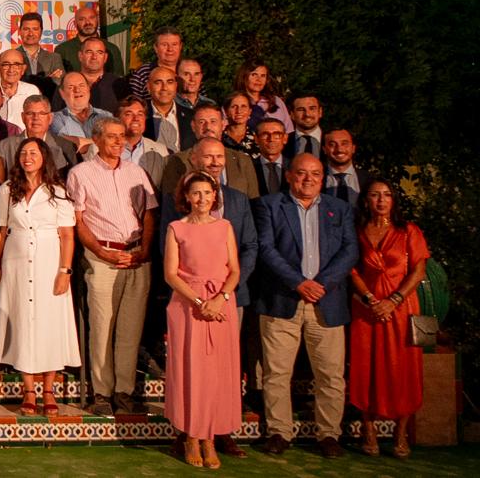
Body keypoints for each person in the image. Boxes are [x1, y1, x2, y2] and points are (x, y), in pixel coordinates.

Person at [253, 154, 358, 458]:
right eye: (301, 173)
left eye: (315, 174)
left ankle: (329, 435)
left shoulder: (340, 209)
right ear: (289, 175)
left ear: (323, 178)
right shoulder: (269, 205)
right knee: (277, 373)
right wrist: (298, 282)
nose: (308, 179)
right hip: (282, 300)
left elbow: (350, 250)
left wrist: (321, 284)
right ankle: (279, 432)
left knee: (330, 375)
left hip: (327, 302)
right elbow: (265, 248)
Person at [67, 118, 158, 416]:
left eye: (121, 136)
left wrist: (144, 250)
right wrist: (101, 252)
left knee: (130, 330)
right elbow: (78, 221)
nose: (119, 142)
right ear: (96, 140)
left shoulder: (136, 172)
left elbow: (148, 214)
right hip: (102, 256)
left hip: (136, 256)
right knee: (102, 327)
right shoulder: (81, 174)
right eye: (111, 136)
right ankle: (102, 393)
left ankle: (124, 392)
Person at [0, 138, 80, 415]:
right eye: (24, 153)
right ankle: (28, 390)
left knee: (48, 324)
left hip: (49, 262)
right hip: (16, 262)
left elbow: (67, 235)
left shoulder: (58, 192)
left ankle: (49, 390)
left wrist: (65, 271)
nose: (28, 157)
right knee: (22, 323)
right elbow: (2, 229)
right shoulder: (8, 189)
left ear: (44, 158)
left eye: (34, 153)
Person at [162, 171, 242, 468]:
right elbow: (171, 274)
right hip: (187, 306)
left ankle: (211, 438)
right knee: (191, 371)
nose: (202, 199)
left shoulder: (224, 227)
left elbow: (234, 270)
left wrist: (219, 299)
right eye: (196, 193)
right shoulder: (176, 228)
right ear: (186, 197)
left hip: (221, 306)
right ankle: (192, 437)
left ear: (214, 196)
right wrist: (199, 302)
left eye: (207, 193)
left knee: (217, 373)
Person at [349, 179, 429, 459]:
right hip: (367, 309)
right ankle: (368, 430)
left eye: (387, 195)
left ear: (394, 200)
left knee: (403, 369)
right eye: (375, 195)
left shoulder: (408, 231)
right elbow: (352, 270)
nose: (381, 200)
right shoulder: (358, 231)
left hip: (401, 308)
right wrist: (371, 299)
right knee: (365, 368)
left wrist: (393, 301)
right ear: (366, 200)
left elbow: (418, 271)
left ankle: (400, 433)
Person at [159, 102, 261, 199]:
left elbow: (254, 201)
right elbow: (171, 201)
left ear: (223, 124)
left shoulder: (242, 161)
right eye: (202, 122)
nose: (208, 127)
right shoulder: (177, 161)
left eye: (213, 121)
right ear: (193, 126)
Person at [0, 95, 78, 181]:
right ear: (23, 117)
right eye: (30, 113)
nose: (36, 118)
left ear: (50, 118)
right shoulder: (5, 146)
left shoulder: (65, 145)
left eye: (42, 113)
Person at [52, 70, 112, 158]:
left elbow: (116, 143)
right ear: (62, 93)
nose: (77, 90)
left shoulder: (106, 116)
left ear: (88, 88)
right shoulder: (55, 119)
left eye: (81, 85)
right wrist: (103, 142)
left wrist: (85, 142)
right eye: (71, 87)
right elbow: (69, 145)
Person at [54, 4, 123, 76]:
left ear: (97, 20)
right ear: (75, 23)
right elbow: (59, 79)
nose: (88, 22)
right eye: (82, 19)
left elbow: (118, 79)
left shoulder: (111, 49)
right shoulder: (63, 50)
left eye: (91, 18)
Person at [117, 96, 169, 187]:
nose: (136, 118)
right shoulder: (100, 149)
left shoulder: (161, 151)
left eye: (140, 114)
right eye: (129, 114)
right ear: (118, 119)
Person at [144, 65, 193, 154]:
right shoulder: (140, 115)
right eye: (158, 83)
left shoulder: (191, 116)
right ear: (148, 87)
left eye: (169, 82)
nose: (164, 88)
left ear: (176, 86)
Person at [75, 36, 130, 114]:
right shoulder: (68, 84)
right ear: (80, 56)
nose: (94, 57)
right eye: (89, 52)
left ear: (105, 57)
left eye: (99, 52)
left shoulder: (119, 84)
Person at [128, 26, 184, 99]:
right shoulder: (142, 73)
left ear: (180, 46)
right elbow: (133, 102)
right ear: (156, 48)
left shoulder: (190, 71)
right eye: (164, 45)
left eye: (174, 44)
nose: (170, 49)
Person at [237, 61, 292, 133]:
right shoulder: (234, 102)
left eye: (263, 76)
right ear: (244, 76)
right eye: (254, 74)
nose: (259, 79)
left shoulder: (277, 101)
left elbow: (289, 131)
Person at [0, 49, 41, 125]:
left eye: (16, 65)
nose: (11, 69)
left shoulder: (32, 91)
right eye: (6, 64)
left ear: (23, 69)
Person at [14, 12, 64, 80]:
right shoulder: (10, 56)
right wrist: (48, 79)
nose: (30, 34)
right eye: (26, 29)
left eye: (35, 29)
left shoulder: (54, 58)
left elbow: (59, 83)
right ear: (20, 31)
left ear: (41, 31)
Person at [321, 129, 363, 206]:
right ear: (324, 149)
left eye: (344, 144)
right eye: (332, 145)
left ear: (353, 148)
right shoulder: (315, 179)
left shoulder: (369, 180)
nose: (339, 149)